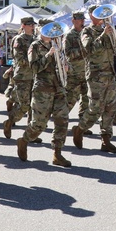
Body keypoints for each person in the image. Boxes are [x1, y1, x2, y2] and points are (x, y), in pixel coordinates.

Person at [16, 21, 74, 166]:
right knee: (38, 125)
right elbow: (34, 68)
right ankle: (24, 140)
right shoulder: (35, 46)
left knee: (62, 120)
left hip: (59, 88)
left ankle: (57, 153)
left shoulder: (58, 44)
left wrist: (68, 67)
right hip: (43, 89)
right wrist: (49, 55)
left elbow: (66, 63)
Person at [74, 6, 116, 150]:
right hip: (96, 75)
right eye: (97, 14)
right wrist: (103, 35)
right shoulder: (87, 31)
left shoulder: (110, 30)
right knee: (95, 107)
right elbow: (89, 49)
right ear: (90, 16)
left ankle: (106, 140)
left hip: (109, 74)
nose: (101, 17)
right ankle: (80, 129)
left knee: (111, 107)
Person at [2, 16, 37, 139]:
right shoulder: (19, 40)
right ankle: (10, 121)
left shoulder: (35, 39)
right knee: (24, 106)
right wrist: (36, 61)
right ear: (23, 25)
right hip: (22, 76)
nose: (32, 26)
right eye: (29, 24)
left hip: (34, 76)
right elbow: (19, 59)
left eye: (33, 24)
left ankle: (31, 133)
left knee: (34, 106)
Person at [63, 11, 90, 127]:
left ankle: (82, 125)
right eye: (79, 20)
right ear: (73, 21)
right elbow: (68, 53)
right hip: (74, 73)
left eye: (83, 20)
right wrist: (83, 49)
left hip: (86, 72)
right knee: (70, 100)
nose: (82, 22)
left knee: (86, 101)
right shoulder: (69, 35)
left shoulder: (86, 33)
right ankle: (61, 122)